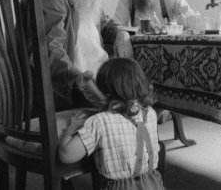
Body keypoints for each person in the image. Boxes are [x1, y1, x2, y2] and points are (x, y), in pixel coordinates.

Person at [22, 0, 122, 110]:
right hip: (66, 90)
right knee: (129, 109)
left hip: (93, 82)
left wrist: (121, 33)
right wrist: (78, 80)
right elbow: (48, 49)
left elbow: (106, 23)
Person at [58, 58, 165, 190]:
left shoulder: (99, 122)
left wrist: (71, 128)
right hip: (152, 183)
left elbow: (66, 155)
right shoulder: (150, 113)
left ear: (103, 91)